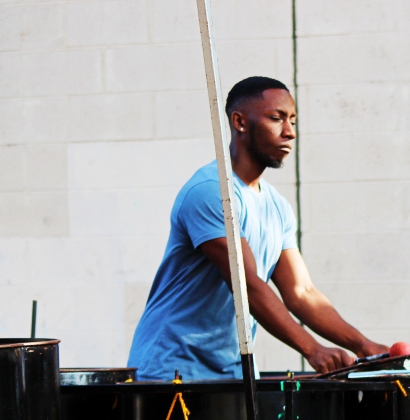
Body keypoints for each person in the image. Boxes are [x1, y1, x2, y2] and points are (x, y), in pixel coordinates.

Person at [129, 77, 387, 380]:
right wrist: (312, 349)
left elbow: (301, 293)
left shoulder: (276, 207)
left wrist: (363, 345)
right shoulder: (212, 192)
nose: (289, 131)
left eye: (292, 120)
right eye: (276, 118)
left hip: (232, 374)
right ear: (239, 122)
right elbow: (248, 285)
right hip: (171, 371)